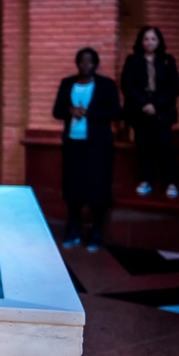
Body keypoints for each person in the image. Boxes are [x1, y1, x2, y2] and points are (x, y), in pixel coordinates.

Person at [53, 47, 122, 250]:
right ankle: (73, 230)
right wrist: (70, 110)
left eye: (90, 61)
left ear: (96, 64)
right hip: (73, 144)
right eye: (82, 61)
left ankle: (96, 232)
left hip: (98, 146)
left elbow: (116, 112)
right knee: (73, 187)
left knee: (97, 188)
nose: (86, 65)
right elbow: (56, 111)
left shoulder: (106, 85)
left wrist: (88, 114)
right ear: (77, 63)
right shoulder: (67, 83)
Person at [120, 26, 179, 199]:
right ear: (141, 41)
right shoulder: (132, 60)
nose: (149, 42)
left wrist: (156, 105)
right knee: (143, 147)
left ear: (159, 41)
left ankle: (172, 182)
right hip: (140, 110)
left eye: (153, 39)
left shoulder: (168, 60)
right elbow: (127, 85)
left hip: (162, 110)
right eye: (146, 39)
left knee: (166, 146)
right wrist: (144, 103)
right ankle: (146, 180)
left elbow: (174, 88)